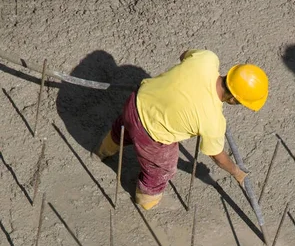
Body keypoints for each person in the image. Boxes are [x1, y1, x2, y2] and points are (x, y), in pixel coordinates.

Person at [96, 49, 269, 210]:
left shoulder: (207, 59)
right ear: (233, 99)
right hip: (150, 135)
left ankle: (103, 151)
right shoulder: (214, 122)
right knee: (163, 169)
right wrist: (236, 172)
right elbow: (217, 156)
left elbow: (184, 55)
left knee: (122, 130)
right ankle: (146, 202)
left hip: (135, 103)